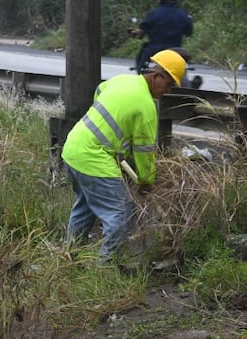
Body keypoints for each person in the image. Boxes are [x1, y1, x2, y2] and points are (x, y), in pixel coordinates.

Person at [60, 49, 187, 262]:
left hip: (73, 149)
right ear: (157, 76)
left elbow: (99, 92)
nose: (169, 90)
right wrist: (146, 181)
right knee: (122, 213)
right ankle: (106, 269)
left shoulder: (121, 80)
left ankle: (68, 259)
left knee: (85, 208)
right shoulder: (146, 106)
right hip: (93, 158)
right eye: (169, 84)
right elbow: (144, 152)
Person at [132, 0, 193, 74]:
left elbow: (142, 30)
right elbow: (189, 32)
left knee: (141, 67)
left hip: (154, 49)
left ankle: (141, 76)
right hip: (176, 50)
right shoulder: (183, 14)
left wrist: (134, 33)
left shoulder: (154, 13)